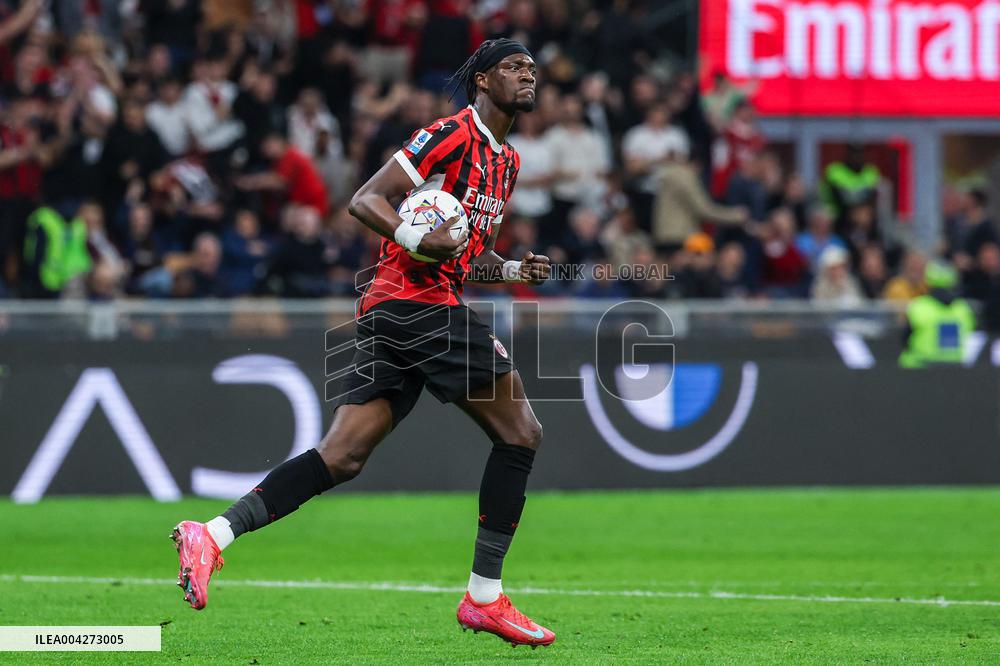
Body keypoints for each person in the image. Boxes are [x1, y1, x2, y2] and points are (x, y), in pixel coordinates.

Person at [170, 39, 556, 649]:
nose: (528, 75)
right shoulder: (448, 134)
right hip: (415, 304)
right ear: (482, 80)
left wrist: (510, 271)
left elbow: (460, 251)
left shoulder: (505, 162)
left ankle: (212, 533)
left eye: (532, 68)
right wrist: (413, 235)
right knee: (521, 433)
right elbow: (365, 200)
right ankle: (484, 598)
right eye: (513, 67)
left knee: (343, 455)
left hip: (398, 309)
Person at [899, 262, 976, 368]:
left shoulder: (919, 306)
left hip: (921, 368)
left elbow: (905, 339)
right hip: (955, 369)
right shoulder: (963, 309)